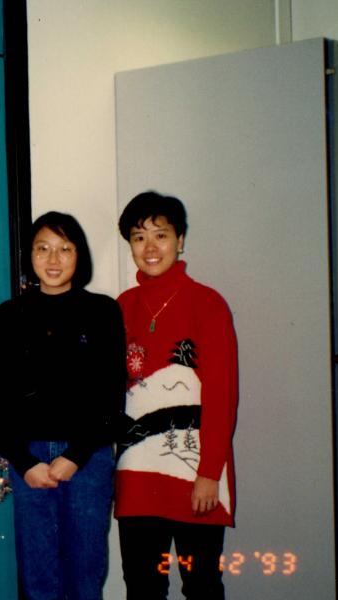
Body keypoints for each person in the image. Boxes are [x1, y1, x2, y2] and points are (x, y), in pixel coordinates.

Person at [0, 211, 126, 600]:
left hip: (88, 458)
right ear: (29, 256)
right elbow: (2, 400)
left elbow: (112, 395)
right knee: (38, 577)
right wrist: (24, 462)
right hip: (28, 459)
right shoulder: (8, 315)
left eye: (65, 249)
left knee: (85, 573)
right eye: (43, 249)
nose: (53, 260)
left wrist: (75, 456)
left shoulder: (102, 310)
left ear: (79, 255)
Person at [114, 191, 238, 600]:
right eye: (138, 237)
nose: (150, 248)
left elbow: (222, 395)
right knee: (143, 588)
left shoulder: (208, 303)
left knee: (201, 586)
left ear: (180, 239)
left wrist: (209, 473)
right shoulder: (121, 307)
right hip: (135, 477)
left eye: (160, 236)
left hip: (194, 475)